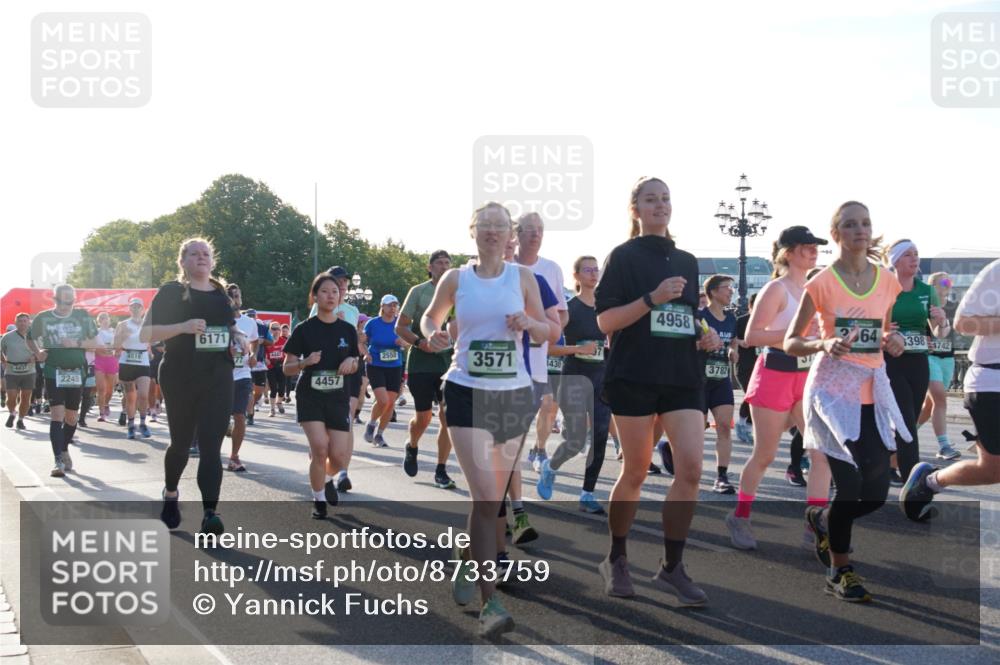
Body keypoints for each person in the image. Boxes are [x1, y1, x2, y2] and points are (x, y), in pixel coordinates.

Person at [420, 201, 548, 638]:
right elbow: (430, 316)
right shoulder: (457, 278)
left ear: (510, 234)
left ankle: (464, 553)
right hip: (465, 390)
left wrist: (530, 321)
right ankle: (489, 602)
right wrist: (432, 331)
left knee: (491, 503)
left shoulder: (523, 277)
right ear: (472, 231)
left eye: (500, 225)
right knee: (487, 497)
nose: (493, 232)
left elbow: (550, 330)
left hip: (512, 393)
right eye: (485, 225)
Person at [595, 177, 721, 605]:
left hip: (682, 375)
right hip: (633, 374)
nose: (660, 205)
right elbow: (605, 322)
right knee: (635, 470)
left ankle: (671, 567)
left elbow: (686, 317)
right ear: (635, 209)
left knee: (690, 471)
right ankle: (616, 557)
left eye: (665, 199)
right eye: (651, 199)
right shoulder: (623, 257)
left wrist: (704, 336)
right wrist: (651, 298)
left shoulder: (686, 260)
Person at [785, 201, 909, 602]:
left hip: (872, 390)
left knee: (875, 493)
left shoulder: (887, 280)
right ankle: (840, 570)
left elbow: (886, 327)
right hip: (832, 394)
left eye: (866, 223)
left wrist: (895, 339)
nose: (860, 229)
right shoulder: (821, 282)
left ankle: (822, 518)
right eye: (850, 224)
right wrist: (823, 342)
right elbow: (791, 341)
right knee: (851, 484)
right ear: (836, 233)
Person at [725, 227, 832, 551]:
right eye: (806, 247)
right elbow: (753, 336)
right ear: (788, 253)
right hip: (775, 373)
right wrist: (795, 330)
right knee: (765, 454)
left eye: (816, 247)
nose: (813, 251)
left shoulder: (817, 288)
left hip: (808, 377)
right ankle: (740, 516)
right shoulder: (777, 289)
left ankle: (814, 527)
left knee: (820, 455)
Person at [143, 237, 245, 535]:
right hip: (180, 376)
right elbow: (147, 334)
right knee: (181, 443)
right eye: (194, 253)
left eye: (206, 253)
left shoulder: (220, 293)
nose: (201, 257)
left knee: (212, 447)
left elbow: (228, 327)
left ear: (212, 261)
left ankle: (210, 514)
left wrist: (237, 338)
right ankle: (171, 492)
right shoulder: (171, 292)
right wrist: (182, 328)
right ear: (183, 261)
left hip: (218, 377)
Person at [901, 258, 1000, 521]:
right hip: (992, 381)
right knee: (992, 471)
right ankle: (930, 481)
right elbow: (963, 323)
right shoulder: (997, 272)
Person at [536, 256, 613, 514]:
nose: (593, 273)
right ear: (577, 276)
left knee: (600, 436)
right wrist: (578, 348)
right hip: (574, 379)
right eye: (587, 270)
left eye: (596, 269)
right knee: (577, 440)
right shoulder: (568, 310)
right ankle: (550, 467)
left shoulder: (606, 310)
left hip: (602, 381)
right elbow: (549, 348)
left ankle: (587, 493)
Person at [283, 273, 361, 519]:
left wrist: (352, 360)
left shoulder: (348, 330)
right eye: (325, 291)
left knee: (338, 457)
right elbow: (287, 367)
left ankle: (325, 479)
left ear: (340, 298)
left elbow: (356, 362)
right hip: (311, 397)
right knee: (319, 448)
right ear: (315, 296)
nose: (331, 296)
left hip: (338, 397)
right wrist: (305, 362)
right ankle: (318, 500)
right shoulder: (304, 330)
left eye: (335, 292)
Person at [883, 240, 950, 486]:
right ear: (896, 261)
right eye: (908, 255)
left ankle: (886, 462)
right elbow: (872, 322)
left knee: (907, 418)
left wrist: (942, 321)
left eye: (916, 254)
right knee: (904, 416)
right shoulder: (884, 288)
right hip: (891, 359)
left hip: (919, 360)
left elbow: (938, 333)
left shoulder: (926, 290)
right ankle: (912, 475)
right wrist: (884, 329)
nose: (915, 259)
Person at [396, 250, 457, 488]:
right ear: (429, 267)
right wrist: (421, 343)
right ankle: (412, 446)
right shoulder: (419, 292)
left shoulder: (459, 294)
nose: (444, 266)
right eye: (439, 263)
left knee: (447, 418)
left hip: (449, 364)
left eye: (447, 263)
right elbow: (401, 328)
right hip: (421, 362)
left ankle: (441, 470)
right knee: (423, 418)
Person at [515, 213, 569, 474]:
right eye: (529, 230)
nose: (536, 234)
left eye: (540, 230)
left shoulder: (550, 270)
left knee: (547, 405)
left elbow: (561, 313)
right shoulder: (500, 264)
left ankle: (539, 447)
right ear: (516, 234)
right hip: (507, 356)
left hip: (538, 356)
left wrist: (547, 332)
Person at [30, 284, 100, 477]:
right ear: (55, 299)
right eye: (62, 300)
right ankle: (57, 461)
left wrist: (77, 343)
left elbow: (95, 343)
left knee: (71, 417)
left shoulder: (82, 316)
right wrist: (38, 352)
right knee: (57, 415)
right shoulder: (43, 317)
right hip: (54, 372)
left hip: (77, 372)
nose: (66, 304)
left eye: (70, 301)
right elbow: (30, 337)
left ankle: (64, 448)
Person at [312, 266, 363, 493]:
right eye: (338, 281)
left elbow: (356, 344)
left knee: (347, 419)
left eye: (345, 282)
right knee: (323, 425)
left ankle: (342, 470)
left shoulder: (353, 310)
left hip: (350, 369)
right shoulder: (317, 308)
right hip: (325, 372)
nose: (342, 285)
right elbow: (311, 337)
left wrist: (359, 342)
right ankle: (322, 466)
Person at [699, 275, 740, 494]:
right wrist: (700, 345)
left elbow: (733, 341)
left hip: (721, 380)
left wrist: (733, 350)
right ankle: (687, 467)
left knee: (724, 427)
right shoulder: (699, 316)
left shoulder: (731, 319)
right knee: (697, 431)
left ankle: (721, 477)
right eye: (727, 288)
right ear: (713, 292)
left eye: (732, 288)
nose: (731, 291)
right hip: (699, 381)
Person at [918, 272, 961, 460]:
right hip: (929, 357)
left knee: (930, 406)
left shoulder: (954, 307)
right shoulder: (925, 306)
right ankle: (944, 446)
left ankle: (903, 437)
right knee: (940, 399)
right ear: (932, 285)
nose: (947, 284)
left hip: (948, 358)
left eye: (949, 281)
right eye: (943, 281)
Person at [362, 295, 408, 447]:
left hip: (395, 366)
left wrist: (403, 342)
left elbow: (409, 343)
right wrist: (366, 354)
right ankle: (371, 424)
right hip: (375, 364)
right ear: (382, 306)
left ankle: (379, 435)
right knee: (382, 400)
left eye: (395, 305)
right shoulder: (373, 323)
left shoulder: (400, 324)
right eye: (389, 305)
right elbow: (361, 342)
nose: (392, 308)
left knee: (390, 404)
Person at [225, 285, 259, 472]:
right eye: (230, 296)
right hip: (221, 376)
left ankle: (234, 457)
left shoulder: (249, 322)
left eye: (237, 296)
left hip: (243, 374)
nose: (235, 300)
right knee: (220, 418)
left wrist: (253, 355)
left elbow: (255, 341)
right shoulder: (219, 321)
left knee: (239, 416)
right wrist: (224, 351)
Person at [114, 298, 153, 439]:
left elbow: (152, 341)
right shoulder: (122, 324)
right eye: (133, 307)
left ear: (143, 310)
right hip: (126, 362)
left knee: (143, 395)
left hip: (142, 361)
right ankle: (131, 425)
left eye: (138, 307)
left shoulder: (147, 325)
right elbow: (115, 344)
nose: (136, 309)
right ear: (129, 309)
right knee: (130, 397)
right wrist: (122, 336)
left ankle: (143, 423)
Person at [2, 313, 39, 430]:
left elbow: (42, 352)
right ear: (16, 323)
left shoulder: (35, 337)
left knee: (25, 398)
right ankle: (12, 413)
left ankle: (21, 419)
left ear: (29, 323)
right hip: (12, 371)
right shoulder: (7, 337)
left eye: (25, 321)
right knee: (11, 396)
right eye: (20, 321)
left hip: (29, 371)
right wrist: (3, 361)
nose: (22, 323)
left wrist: (35, 357)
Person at [734, 293, 759, 444]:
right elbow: (732, 338)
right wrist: (742, 342)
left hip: (761, 364)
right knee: (751, 395)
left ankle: (747, 424)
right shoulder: (742, 321)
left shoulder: (767, 321)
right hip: (745, 365)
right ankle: (743, 424)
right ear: (750, 306)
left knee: (759, 396)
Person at [245, 308, 273, 425]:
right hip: (246, 363)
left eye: (253, 316)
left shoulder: (263, 328)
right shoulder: (242, 325)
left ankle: (249, 406)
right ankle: (250, 414)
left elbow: (271, 342)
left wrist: (263, 341)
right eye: (249, 316)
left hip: (260, 363)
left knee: (259, 392)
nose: (251, 318)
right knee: (249, 391)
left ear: (256, 317)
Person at [93, 312, 119, 423]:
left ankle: (106, 403)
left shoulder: (114, 331)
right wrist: (100, 350)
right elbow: (93, 345)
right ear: (99, 321)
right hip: (99, 361)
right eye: (102, 318)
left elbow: (118, 345)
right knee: (101, 389)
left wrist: (115, 350)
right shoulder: (96, 332)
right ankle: (101, 413)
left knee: (109, 389)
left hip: (111, 361)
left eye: (106, 318)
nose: (105, 320)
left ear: (109, 320)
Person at [265, 321, 288, 416]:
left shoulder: (284, 341)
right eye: (273, 329)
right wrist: (265, 359)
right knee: (273, 388)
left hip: (281, 366)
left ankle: (279, 402)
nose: (276, 331)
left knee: (282, 388)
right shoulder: (267, 341)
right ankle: (272, 409)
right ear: (270, 330)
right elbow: (262, 353)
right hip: (271, 367)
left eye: (278, 329)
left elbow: (289, 353)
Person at [147, 340, 165, 421]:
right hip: (151, 363)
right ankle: (152, 411)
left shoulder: (166, 333)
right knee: (151, 388)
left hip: (163, 363)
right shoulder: (150, 332)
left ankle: (158, 402)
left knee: (161, 387)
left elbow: (164, 348)